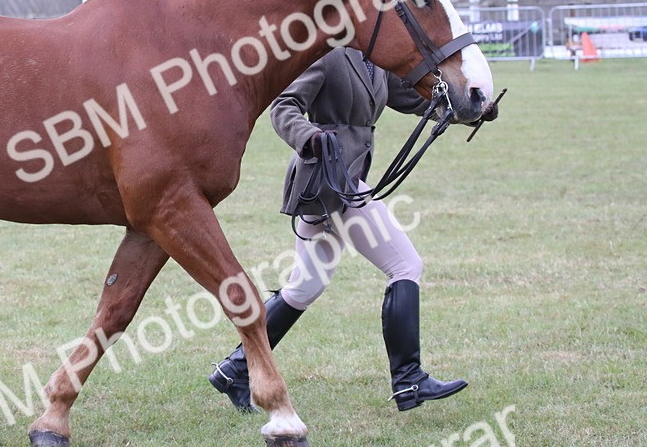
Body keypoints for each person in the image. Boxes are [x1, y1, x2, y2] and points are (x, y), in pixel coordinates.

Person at [207, 47, 496, 413]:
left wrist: (470, 111)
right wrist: (309, 137)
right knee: (405, 266)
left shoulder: (377, 61)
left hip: (346, 180)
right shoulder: (326, 56)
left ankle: (234, 370)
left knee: (305, 286)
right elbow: (283, 107)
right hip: (327, 179)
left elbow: (415, 99)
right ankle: (408, 378)